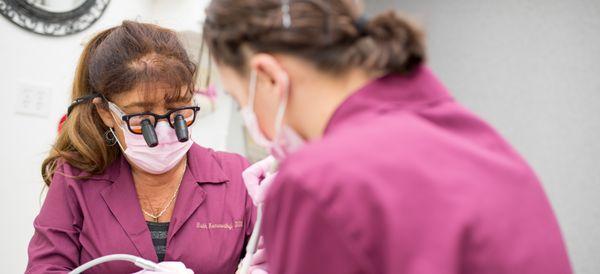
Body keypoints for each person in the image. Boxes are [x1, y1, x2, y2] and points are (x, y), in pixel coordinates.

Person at [202, 0, 573, 273]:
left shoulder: (319, 181)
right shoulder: (478, 140)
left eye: (239, 99)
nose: (249, 117)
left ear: (267, 77)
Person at [26, 21, 255, 274]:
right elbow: (44, 268)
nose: (165, 131)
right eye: (142, 119)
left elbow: (280, 261)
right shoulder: (76, 178)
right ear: (106, 113)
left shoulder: (237, 176)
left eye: (178, 111)